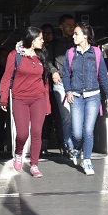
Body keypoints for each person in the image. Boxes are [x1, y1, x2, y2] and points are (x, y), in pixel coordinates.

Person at [0, 27, 52, 178]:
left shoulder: (41, 56)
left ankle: (34, 165)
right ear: (32, 39)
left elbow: (45, 82)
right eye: (40, 38)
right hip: (20, 99)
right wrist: (3, 98)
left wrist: (47, 103)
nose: (43, 41)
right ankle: (18, 152)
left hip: (39, 99)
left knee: (37, 133)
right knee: (22, 134)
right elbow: (6, 77)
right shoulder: (15, 55)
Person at [62, 22, 108, 176]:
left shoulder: (97, 53)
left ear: (85, 36)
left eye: (76, 33)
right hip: (76, 96)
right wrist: (68, 90)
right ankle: (77, 149)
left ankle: (87, 160)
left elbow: (102, 76)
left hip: (93, 96)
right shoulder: (70, 53)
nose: (73, 36)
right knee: (77, 133)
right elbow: (66, 74)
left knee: (88, 131)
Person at [49, 14, 77, 157]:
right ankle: (69, 145)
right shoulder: (54, 43)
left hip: (76, 82)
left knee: (77, 115)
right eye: (68, 25)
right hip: (60, 84)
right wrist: (53, 71)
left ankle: (75, 143)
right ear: (61, 26)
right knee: (66, 116)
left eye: (73, 25)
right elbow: (47, 61)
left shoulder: (77, 41)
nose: (71, 27)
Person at [40, 23, 62, 155]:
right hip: (43, 86)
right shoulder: (38, 47)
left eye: (50, 33)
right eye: (45, 33)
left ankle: (62, 143)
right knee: (44, 117)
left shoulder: (57, 46)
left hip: (57, 84)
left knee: (59, 115)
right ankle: (43, 144)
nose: (47, 36)